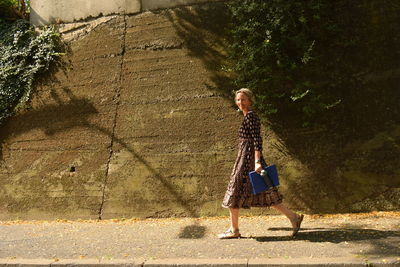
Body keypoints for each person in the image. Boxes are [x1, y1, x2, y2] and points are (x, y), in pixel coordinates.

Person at [218, 88, 304, 239]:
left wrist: (257, 161)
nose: (240, 102)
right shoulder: (247, 117)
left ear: (250, 101)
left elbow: (257, 140)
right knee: (265, 192)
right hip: (246, 158)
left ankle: (234, 230)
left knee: (234, 190)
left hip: (249, 160)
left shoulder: (251, 116)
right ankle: (293, 217)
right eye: (238, 100)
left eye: (243, 99)